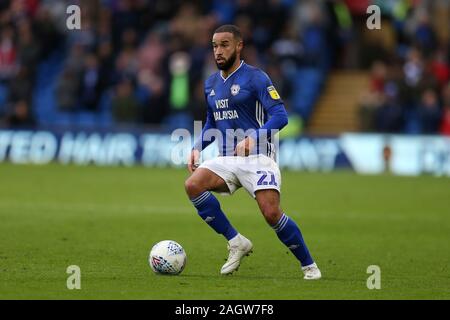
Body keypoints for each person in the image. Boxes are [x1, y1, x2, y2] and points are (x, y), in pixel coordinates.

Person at [184, 25, 321, 280]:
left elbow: (280, 116)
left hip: (259, 157)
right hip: (227, 158)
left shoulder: (256, 78)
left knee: (271, 213)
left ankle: (309, 265)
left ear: (239, 46)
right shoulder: (211, 83)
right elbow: (212, 123)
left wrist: (253, 137)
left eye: (225, 45)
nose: (218, 51)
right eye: (214, 46)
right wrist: (196, 148)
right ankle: (236, 241)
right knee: (193, 185)